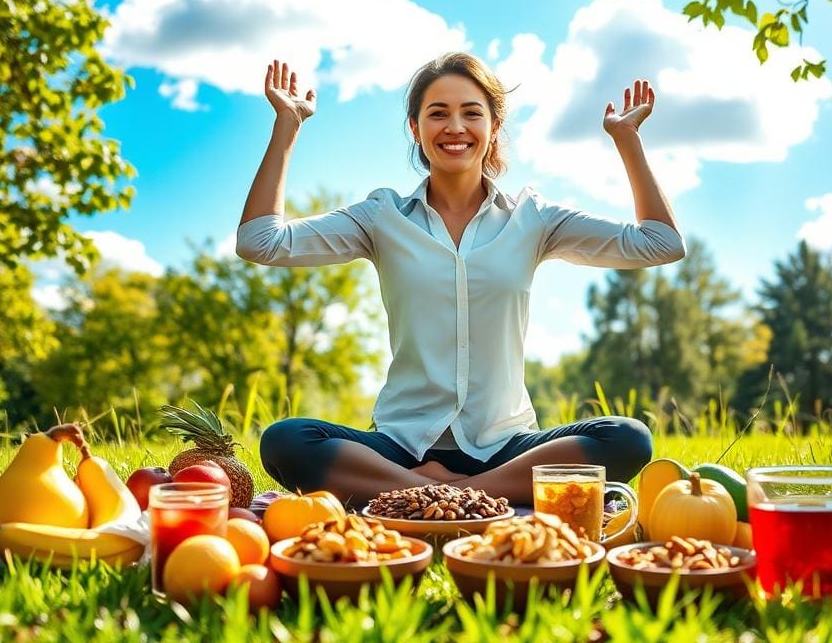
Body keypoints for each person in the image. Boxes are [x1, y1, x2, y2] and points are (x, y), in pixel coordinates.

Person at [237, 53, 685, 508]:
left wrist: (628, 140)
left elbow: (660, 243)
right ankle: (454, 496)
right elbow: (260, 242)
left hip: (504, 448)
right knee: (286, 440)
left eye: (472, 113)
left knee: (627, 438)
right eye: (438, 113)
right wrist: (287, 128)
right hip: (400, 447)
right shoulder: (382, 217)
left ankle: (436, 495)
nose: (455, 127)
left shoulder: (532, 218)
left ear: (493, 126)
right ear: (415, 128)